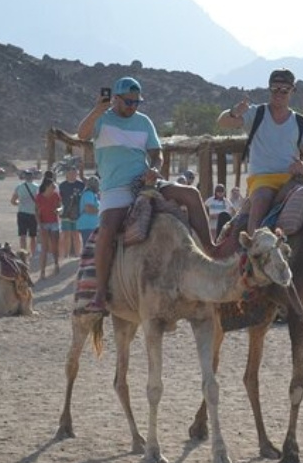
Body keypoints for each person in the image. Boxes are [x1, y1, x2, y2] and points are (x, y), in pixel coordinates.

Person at [77, 76, 221, 314]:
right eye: (129, 102)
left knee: (192, 194)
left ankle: (210, 249)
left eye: (137, 102)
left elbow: (157, 153)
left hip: (145, 181)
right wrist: (97, 109)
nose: (133, 107)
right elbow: (81, 134)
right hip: (115, 188)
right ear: (116, 99)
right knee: (106, 230)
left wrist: (154, 168)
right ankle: (101, 292)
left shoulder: (144, 122)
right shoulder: (101, 120)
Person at [217, 68, 303, 234]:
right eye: (275, 88)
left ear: (292, 91)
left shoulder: (301, 122)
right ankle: (253, 247)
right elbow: (223, 122)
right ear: (269, 88)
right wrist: (234, 112)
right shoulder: (256, 114)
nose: (279, 93)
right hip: (262, 179)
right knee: (262, 200)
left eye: (284, 89)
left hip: (293, 179)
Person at [35, 176, 62, 279]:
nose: (54, 187)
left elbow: (60, 206)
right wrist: (40, 225)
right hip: (44, 224)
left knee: (55, 246)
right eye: (52, 186)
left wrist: (59, 210)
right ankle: (42, 272)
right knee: (44, 248)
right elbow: (36, 212)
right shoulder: (39, 197)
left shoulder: (56, 195)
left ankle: (56, 264)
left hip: (54, 222)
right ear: (47, 186)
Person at [58, 163, 86, 259]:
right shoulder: (62, 186)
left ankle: (78, 254)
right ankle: (66, 254)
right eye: (70, 173)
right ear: (67, 174)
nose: (73, 175)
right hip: (66, 213)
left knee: (76, 234)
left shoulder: (81, 185)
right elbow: (58, 200)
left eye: (74, 173)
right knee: (66, 234)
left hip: (77, 214)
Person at [10, 169, 39, 256]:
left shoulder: (19, 187)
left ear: (24, 177)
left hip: (22, 213)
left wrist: (19, 203)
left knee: (22, 235)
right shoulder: (37, 187)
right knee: (33, 236)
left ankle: (23, 253)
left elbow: (13, 201)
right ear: (32, 177)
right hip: (33, 213)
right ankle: (33, 253)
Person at [76, 176, 100, 247]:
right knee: (89, 248)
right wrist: (101, 210)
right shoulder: (88, 193)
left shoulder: (93, 194)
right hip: (88, 225)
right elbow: (88, 208)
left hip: (91, 225)